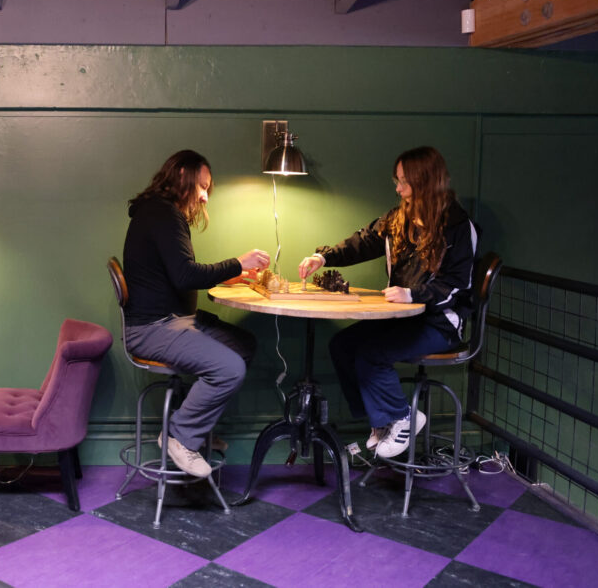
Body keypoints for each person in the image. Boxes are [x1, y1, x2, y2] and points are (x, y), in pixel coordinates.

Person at [298, 146, 477, 458]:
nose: (398, 188)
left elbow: (457, 286)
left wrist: (414, 295)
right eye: (397, 181)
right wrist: (323, 255)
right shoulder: (399, 218)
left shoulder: (459, 228)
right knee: (341, 346)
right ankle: (382, 421)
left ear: (425, 182)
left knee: (371, 353)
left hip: (440, 323)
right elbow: (363, 241)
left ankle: (402, 417)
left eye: (404, 182)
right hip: (403, 318)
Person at [122, 149, 270, 477]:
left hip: (173, 321)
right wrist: (238, 262)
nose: (205, 197)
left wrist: (230, 274)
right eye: (202, 187)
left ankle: (193, 425)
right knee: (230, 369)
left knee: (243, 344)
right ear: (182, 179)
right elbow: (185, 275)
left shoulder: (158, 212)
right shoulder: (162, 215)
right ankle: (180, 436)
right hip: (153, 328)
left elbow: (178, 274)